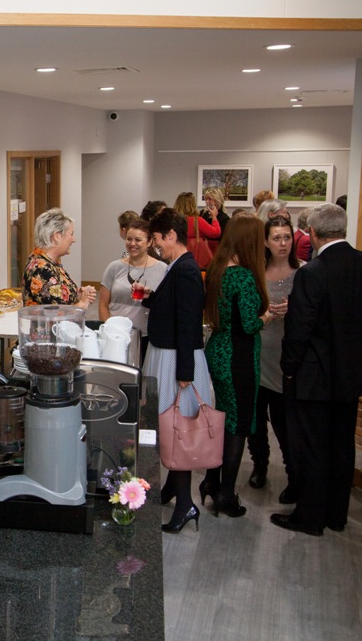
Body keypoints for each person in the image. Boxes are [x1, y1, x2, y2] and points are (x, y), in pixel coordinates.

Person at [272, 204, 362, 536]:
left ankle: (309, 517)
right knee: (342, 444)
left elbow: (299, 330)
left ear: (312, 233)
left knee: (312, 446)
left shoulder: (313, 272)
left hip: (314, 373)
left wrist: (289, 368)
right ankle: (336, 515)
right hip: (352, 371)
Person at [132, 208, 212, 534]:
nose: (155, 246)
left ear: (171, 236)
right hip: (166, 356)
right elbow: (174, 308)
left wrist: (184, 372)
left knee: (177, 429)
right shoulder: (178, 268)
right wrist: (152, 299)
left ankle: (185, 504)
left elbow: (189, 324)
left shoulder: (186, 270)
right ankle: (172, 491)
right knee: (169, 427)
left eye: (156, 239)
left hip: (176, 361)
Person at [200, 216, 275, 518]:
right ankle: (225, 494)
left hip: (217, 351)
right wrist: (267, 318)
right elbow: (248, 324)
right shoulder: (243, 276)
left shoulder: (218, 271)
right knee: (238, 424)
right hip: (237, 359)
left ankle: (211, 480)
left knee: (221, 420)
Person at [246, 216, 302, 497]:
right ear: (266, 242)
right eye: (276, 238)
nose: (282, 243)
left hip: (286, 356)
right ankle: (259, 466)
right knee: (255, 420)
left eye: (287, 237)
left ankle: (294, 475)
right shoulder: (256, 271)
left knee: (285, 423)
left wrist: (297, 309)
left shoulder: (303, 272)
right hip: (258, 350)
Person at [98, 219, 167, 363]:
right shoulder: (114, 267)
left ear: (149, 243)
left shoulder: (162, 269)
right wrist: (109, 331)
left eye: (138, 240)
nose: (132, 244)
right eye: (129, 239)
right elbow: (103, 304)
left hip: (147, 336)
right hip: (116, 337)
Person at [22, 208, 97, 308]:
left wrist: (80, 294)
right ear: (57, 236)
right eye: (71, 234)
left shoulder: (49, 262)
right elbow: (60, 313)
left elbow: (58, 297)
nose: (73, 240)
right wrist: (83, 303)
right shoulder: (41, 270)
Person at [174, 191, 220, 268]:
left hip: (178, 256)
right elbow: (215, 233)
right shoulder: (197, 220)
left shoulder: (174, 221)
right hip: (196, 258)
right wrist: (214, 217)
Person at [200, 187, 230, 252]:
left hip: (217, 251)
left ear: (217, 201)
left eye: (210, 199)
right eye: (206, 199)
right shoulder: (202, 214)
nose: (207, 201)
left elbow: (224, 240)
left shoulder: (225, 218)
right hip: (202, 250)